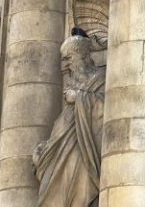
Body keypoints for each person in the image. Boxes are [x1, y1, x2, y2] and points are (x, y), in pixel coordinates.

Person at [33, 29, 104, 207]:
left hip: (83, 152)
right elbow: (63, 123)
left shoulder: (101, 80)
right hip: (62, 151)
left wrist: (79, 97)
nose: (66, 65)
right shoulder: (73, 86)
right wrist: (47, 147)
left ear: (82, 56)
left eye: (69, 58)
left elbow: (107, 111)